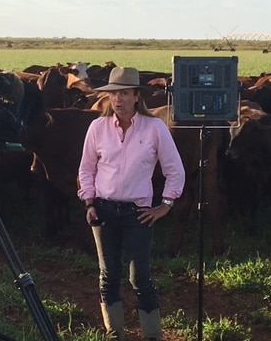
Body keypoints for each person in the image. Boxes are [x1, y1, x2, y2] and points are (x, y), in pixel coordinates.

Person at [77, 67, 185, 340]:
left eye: (124, 93)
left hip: (138, 213)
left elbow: (175, 170)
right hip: (103, 209)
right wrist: (89, 202)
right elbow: (86, 169)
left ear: (137, 96)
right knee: (109, 273)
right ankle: (115, 333)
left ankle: (152, 335)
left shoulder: (154, 128)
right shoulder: (98, 128)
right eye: (114, 94)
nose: (118, 100)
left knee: (141, 277)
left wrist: (165, 205)